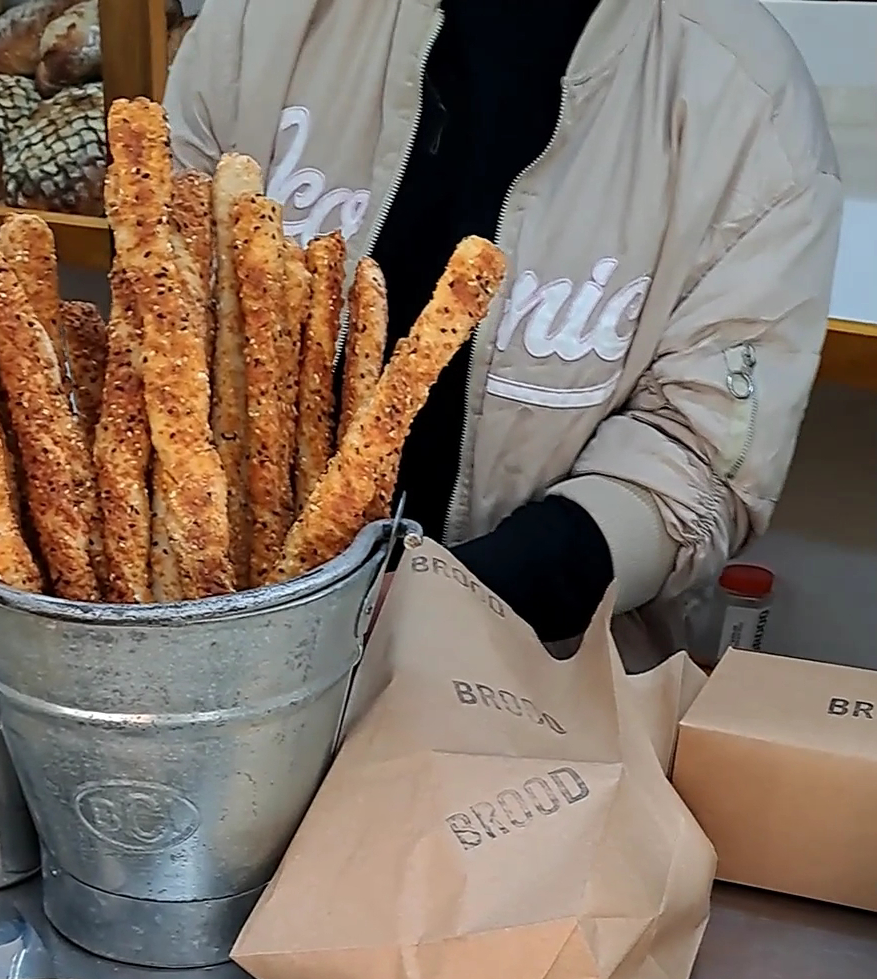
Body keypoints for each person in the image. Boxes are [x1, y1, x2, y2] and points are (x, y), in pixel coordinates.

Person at [165, 0, 841, 666]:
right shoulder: (262, 25)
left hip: (534, 684)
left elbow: (695, 456)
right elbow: (165, 339)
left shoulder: (744, 96)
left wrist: (449, 603)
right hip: (214, 646)